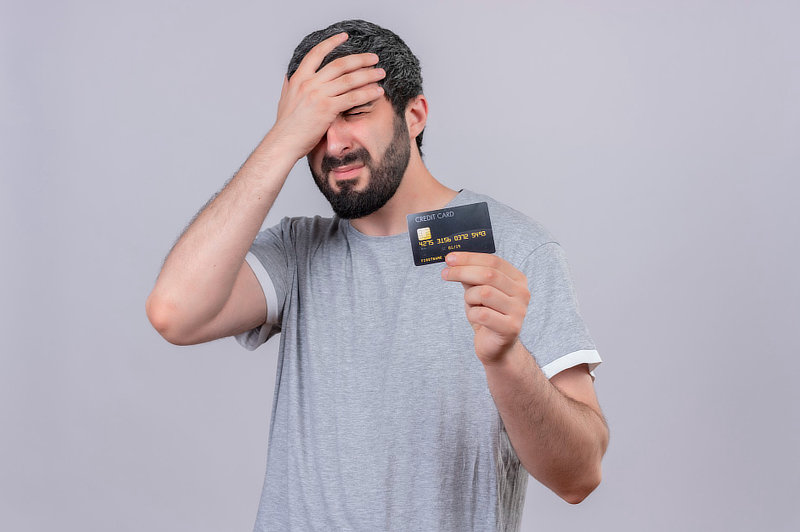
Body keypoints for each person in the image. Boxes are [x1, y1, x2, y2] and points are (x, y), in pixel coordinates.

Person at [146, 19, 608, 532]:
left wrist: (507, 360)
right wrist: (281, 139)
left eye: (355, 113)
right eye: (315, 124)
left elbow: (579, 476)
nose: (334, 143)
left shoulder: (518, 249)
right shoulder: (297, 250)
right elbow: (173, 313)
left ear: (414, 115)